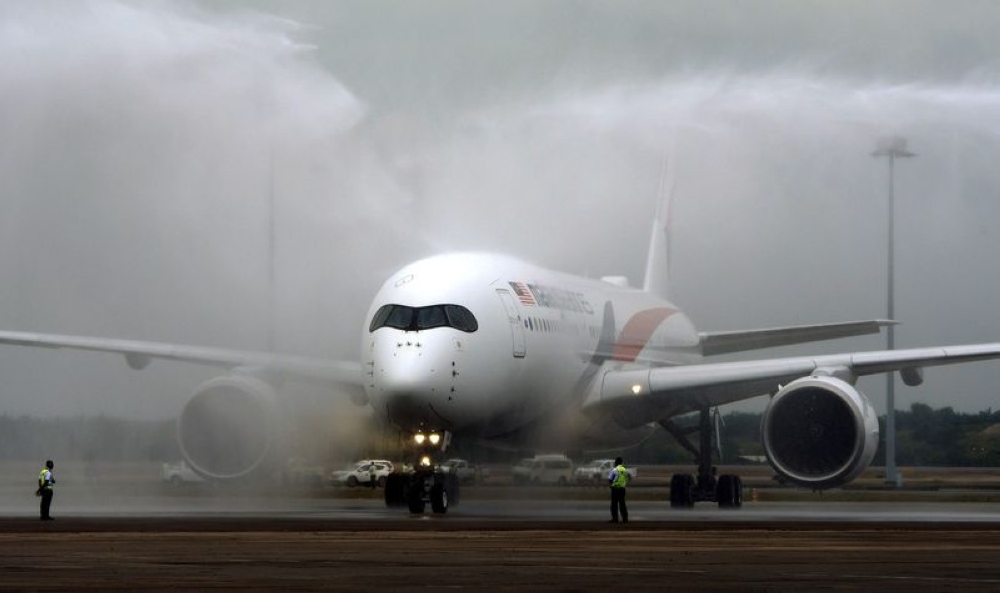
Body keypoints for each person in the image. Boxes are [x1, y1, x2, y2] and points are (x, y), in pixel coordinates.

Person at [607, 456, 629, 523]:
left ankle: (615, 519)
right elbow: (628, 478)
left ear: (616, 462)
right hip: (622, 489)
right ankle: (625, 519)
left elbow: (610, 479)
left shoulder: (615, 470)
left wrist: (611, 485)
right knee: (622, 504)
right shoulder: (624, 469)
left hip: (615, 489)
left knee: (614, 505)